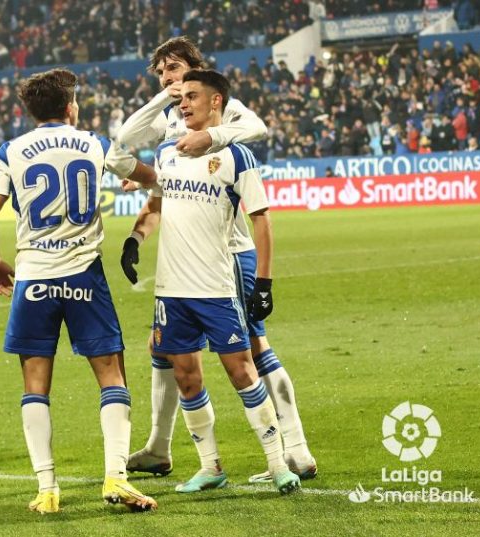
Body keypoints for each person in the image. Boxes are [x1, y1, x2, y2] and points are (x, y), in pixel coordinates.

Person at [117, 36, 316, 485]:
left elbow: (257, 129)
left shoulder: (220, 109)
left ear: (195, 68)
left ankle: (295, 451)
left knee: (253, 350)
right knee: (163, 346)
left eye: (174, 68)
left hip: (230, 254)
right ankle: (160, 447)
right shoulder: (171, 119)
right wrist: (135, 235)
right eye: (162, 73)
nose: (168, 79)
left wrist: (212, 135)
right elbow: (159, 187)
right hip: (185, 262)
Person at [0, 68, 159, 514]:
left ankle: (47, 489)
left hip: (34, 279)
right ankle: (116, 476)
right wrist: (144, 178)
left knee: (35, 383)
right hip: (83, 276)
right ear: (70, 107)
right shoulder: (93, 143)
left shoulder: (10, 151)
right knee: (111, 374)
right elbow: (147, 175)